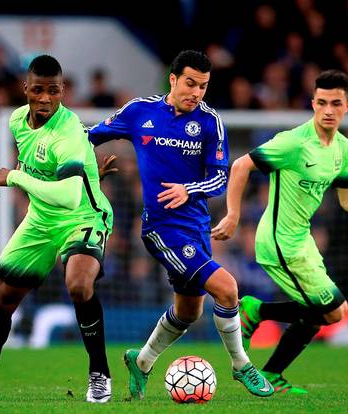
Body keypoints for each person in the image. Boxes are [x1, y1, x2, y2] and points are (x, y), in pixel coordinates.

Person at [88, 50, 273, 399]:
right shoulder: (140, 111)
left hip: (196, 227)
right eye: (190, 83)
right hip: (160, 227)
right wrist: (75, 158)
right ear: (173, 80)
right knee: (228, 288)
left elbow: (219, 178)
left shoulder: (209, 122)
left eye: (203, 86)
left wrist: (188, 189)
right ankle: (241, 365)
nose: (196, 92)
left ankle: (140, 362)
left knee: (189, 310)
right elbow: (91, 135)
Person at [212, 69, 348, 394]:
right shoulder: (293, 142)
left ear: (347, 106)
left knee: (325, 314)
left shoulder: (342, 149)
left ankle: (273, 371)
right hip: (278, 242)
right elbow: (240, 165)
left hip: (302, 241)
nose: (328, 110)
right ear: (313, 103)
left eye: (335, 103)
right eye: (321, 102)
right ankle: (256, 310)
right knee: (333, 310)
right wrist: (233, 214)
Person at [0, 55, 114, 403]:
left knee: (78, 282)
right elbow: (40, 166)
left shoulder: (68, 132)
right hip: (40, 219)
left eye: (52, 91)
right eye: (37, 90)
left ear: (62, 91)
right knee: (2, 300)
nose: (44, 99)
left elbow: (71, 197)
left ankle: (100, 374)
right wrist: (88, 171)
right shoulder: (16, 121)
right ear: (26, 88)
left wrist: (13, 176)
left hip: (82, 216)